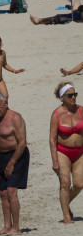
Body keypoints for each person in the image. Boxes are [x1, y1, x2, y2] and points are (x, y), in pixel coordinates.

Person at [0, 92, 27, 235]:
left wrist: (12, 162)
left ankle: (16, 227)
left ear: (6, 103)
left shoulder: (15, 118)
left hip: (17, 155)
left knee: (12, 191)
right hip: (1, 156)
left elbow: (22, 142)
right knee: (3, 193)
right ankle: (7, 225)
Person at [50, 82, 83, 224]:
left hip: (79, 152)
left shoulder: (81, 110)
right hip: (63, 152)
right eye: (70, 95)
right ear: (62, 97)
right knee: (65, 183)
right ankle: (66, 216)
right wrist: (55, 161)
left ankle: (65, 202)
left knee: (79, 185)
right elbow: (52, 140)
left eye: (74, 94)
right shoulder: (56, 114)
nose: (73, 97)